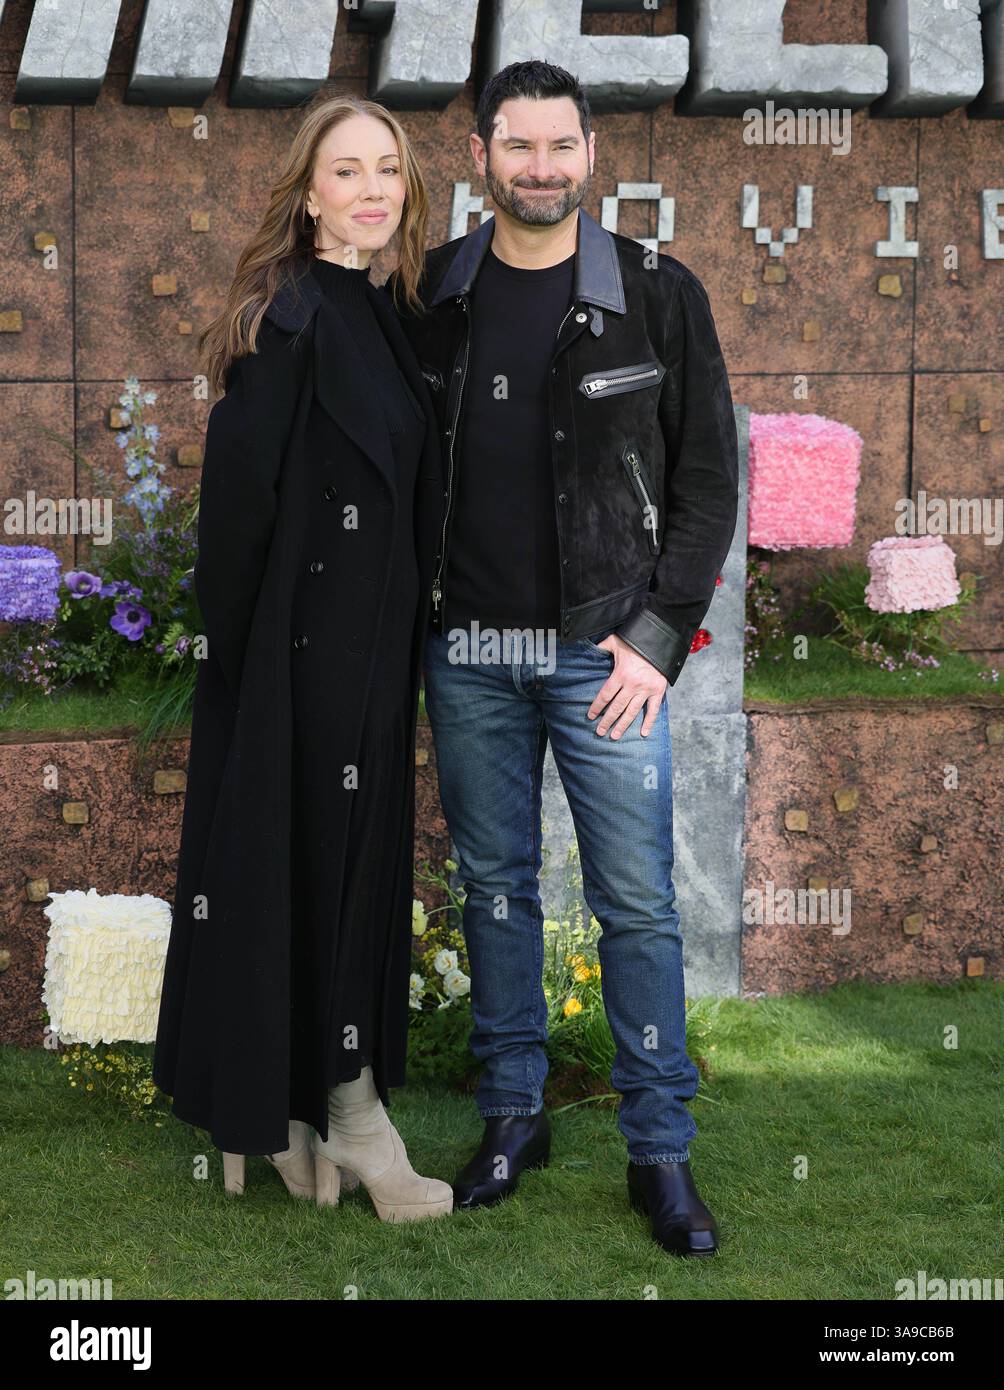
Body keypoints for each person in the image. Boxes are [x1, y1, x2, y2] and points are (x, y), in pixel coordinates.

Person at [385, 61, 740, 1255]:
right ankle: (509, 1114)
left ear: (592, 155)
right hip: (469, 654)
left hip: (604, 658)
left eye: (560, 147)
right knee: (494, 888)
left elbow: (704, 484)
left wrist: (656, 637)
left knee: (634, 902)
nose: (540, 168)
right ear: (478, 154)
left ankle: (659, 1153)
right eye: (516, 147)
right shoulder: (431, 292)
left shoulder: (655, 294)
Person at [152, 94, 453, 1223]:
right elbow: (234, 510)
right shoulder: (286, 315)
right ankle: (351, 1120)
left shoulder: (381, 308)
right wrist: (256, 672)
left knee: (344, 870)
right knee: (318, 871)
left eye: (388, 169)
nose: (371, 188)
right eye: (347, 171)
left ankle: (289, 1117)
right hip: (303, 660)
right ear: (308, 190)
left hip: (373, 661)